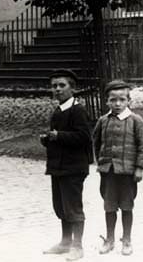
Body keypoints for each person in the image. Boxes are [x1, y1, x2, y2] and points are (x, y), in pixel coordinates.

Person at [40, 69, 94, 261]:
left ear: (73, 88)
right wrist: (47, 139)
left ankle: (77, 246)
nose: (57, 89)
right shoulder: (59, 110)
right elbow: (59, 137)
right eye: (54, 86)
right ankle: (65, 242)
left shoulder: (78, 110)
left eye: (62, 85)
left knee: (73, 207)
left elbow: (84, 137)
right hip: (58, 166)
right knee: (61, 206)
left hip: (74, 167)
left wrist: (59, 136)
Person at [93, 80, 143, 256]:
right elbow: (96, 143)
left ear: (129, 101)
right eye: (113, 100)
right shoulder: (103, 121)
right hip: (108, 172)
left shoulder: (136, 121)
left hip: (127, 173)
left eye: (122, 100)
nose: (117, 104)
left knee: (127, 206)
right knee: (109, 206)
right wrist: (100, 163)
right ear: (107, 101)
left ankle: (126, 239)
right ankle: (109, 240)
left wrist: (139, 168)